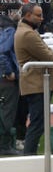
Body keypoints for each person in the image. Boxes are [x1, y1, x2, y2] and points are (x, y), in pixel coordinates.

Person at [14, 3, 53, 155]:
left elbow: (47, 52)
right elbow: (47, 56)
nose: (42, 18)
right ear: (27, 15)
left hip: (36, 83)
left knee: (37, 123)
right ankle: (30, 158)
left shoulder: (26, 30)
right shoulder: (28, 34)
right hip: (37, 84)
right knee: (38, 124)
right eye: (38, 15)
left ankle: (30, 157)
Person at [0, 13, 20, 155]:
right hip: (6, 80)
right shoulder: (9, 29)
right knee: (7, 112)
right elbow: (2, 52)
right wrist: (9, 72)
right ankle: (5, 146)